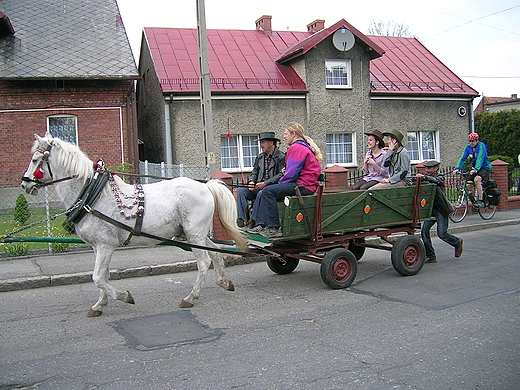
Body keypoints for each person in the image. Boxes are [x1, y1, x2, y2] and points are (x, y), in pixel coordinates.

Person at [248, 122, 323, 238]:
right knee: (267, 190)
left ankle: (273, 227)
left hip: (303, 187)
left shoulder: (296, 148)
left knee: (268, 191)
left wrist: (279, 183)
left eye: (286, 134)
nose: (284, 136)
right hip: (303, 184)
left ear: (293, 134)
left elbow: (292, 174)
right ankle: (262, 225)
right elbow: (294, 169)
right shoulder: (301, 146)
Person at [236, 132, 285, 229]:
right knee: (241, 191)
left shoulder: (281, 157)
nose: (261, 145)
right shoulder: (260, 157)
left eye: (263, 142)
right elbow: (254, 172)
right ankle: (241, 219)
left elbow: (281, 174)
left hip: (271, 188)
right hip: (258, 186)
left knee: (262, 193)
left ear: (271, 143)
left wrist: (265, 183)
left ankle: (254, 220)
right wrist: (251, 182)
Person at [417, 160, 463, 263]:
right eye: (426, 169)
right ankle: (431, 256)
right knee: (424, 232)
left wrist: (425, 177)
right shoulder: (426, 177)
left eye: (429, 169)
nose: (427, 170)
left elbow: (437, 181)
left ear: (435, 169)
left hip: (441, 209)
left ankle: (457, 242)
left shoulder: (440, 177)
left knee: (442, 234)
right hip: (431, 209)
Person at [453, 132, 491, 208]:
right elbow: (463, 158)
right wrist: (457, 168)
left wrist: (476, 169)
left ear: (477, 140)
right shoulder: (468, 148)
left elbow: (480, 157)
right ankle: (474, 201)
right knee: (468, 184)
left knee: (477, 180)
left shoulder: (481, 146)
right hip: (474, 168)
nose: (471, 143)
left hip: (484, 167)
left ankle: (481, 200)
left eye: (473, 141)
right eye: (470, 141)